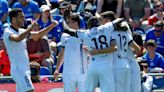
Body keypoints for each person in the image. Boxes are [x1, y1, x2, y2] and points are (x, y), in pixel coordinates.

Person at [3, 8, 58, 92]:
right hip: (19, 70)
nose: (23, 19)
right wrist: (30, 28)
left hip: (25, 69)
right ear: (13, 19)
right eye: (21, 17)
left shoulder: (21, 31)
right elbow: (18, 38)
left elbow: (39, 34)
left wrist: (52, 26)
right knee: (30, 90)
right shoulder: (8, 31)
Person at [89, 11, 141, 92]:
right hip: (128, 64)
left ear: (108, 20)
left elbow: (114, 48)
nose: (100, 23)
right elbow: (138, 49)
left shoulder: (110, 32)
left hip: (117, 65)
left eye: (101, 20)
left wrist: (97, 52)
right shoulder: (124, 30)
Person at [54, 13, 88, 92]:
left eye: (69, 22)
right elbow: (62, 53)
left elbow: (91, 51)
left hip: (83, 73)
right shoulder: (64, 36)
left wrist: (88, 51)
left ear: (75, 23)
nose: (67, 24)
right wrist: (57, 69)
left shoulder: (84, 34)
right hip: (68, 73)